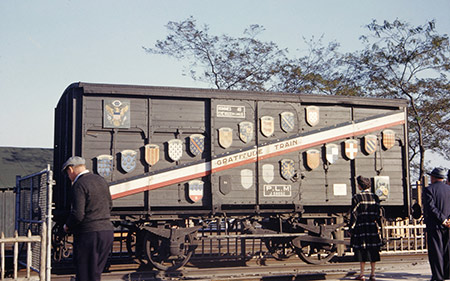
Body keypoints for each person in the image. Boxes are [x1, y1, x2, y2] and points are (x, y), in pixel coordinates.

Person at [62, 156, 114, 281]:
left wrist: (67, 226)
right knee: (95, 274)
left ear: (71, 169)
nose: (68, 177)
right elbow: (110, 205)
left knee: (85, 275)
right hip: (107, 232)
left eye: (67, 173)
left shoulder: (79, 184)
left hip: (89, 234)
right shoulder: (101, 180)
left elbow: (78, 214)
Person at [349, 176, 383, 281]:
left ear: (360, 186)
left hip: (361, 227)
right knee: (373, 250)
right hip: (372, 227)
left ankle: (362, 274)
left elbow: (354, 214)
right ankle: (373, 274)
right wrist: (380, 227)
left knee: (362, 251)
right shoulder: (375, 197)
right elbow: (379, 214)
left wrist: (351, 228)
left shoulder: (357, 198)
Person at [423, 167, 450, 281]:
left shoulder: (428, 190)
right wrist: (448, 220)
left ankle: (438, 276)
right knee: (447, 250)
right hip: (448, 225)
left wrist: (442, 219)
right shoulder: (449, 189)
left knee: (436, 252)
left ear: (433, 177)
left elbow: (431, 207)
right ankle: (447, 273)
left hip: (435, 225)